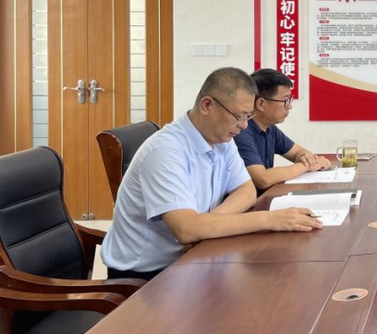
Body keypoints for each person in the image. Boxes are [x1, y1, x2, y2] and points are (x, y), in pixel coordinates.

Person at [101, 67, 323, 280]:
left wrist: (206, 226)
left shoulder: (222, 139)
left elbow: (246, 191)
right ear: (207, 105)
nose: (244, 126)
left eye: (248, 116)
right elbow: (185, 229)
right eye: (239, 116)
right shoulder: (165, 151)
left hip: (195, 256)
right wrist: (269, 219)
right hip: (149, 275)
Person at [235, 68, 331, 190]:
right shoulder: (241, 131)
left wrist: (306, 158)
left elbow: (298, 152)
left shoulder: (270, 129)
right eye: (285, 100)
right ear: (261, 104)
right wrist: (308, 165)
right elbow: (263, 179)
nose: (290, 106)